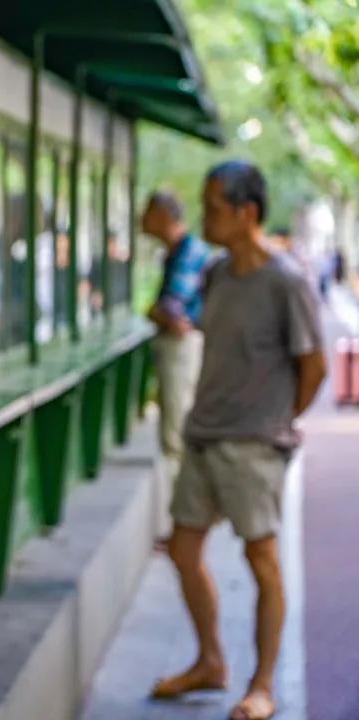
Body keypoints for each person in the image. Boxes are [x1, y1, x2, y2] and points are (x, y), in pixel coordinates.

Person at [152, 162, 326, 720]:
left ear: (246, 212)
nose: (203, 218)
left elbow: (314, 366)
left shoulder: (288, 280)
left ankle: (263, 685)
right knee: (183, 549)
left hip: (255, 444)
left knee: (262, 560)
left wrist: (277, 421)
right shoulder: (217, 273)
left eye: (213, 208)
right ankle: (209, 661)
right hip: (203, 435)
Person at [140, 190, 210, 542]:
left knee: (175, 437)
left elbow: (172, 312)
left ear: (165, 215)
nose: (142, 220)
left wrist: (156, 313)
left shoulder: (187, 251)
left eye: (148, 213)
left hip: (181, 347)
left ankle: (183, 526)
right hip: (181, 344)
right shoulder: (178, 252)